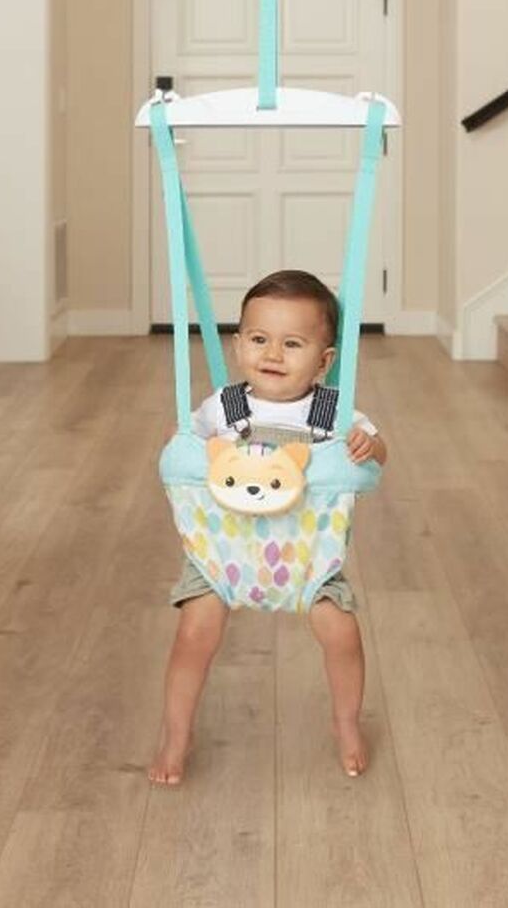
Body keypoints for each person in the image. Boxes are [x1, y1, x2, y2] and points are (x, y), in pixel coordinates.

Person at [148, 270, 388, 785]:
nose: (273, 354)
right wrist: (180, 441)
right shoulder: (223, 407)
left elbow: (375, 453)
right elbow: (187, 442)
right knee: (194, 631)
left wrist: (369, 447)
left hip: (306, 557)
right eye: (259, 339)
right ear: (238, 346)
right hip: (222, 553)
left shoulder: (334, 413)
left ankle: (347, 722)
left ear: (324, 360)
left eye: (292, 343)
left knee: (342, 631)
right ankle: (176, 733)